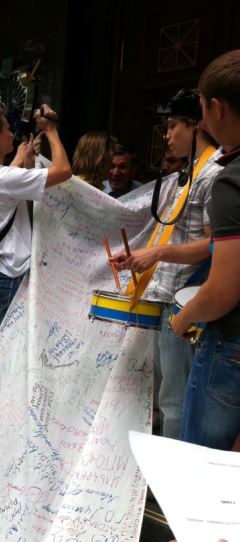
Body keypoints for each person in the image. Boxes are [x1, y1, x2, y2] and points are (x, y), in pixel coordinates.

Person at [112, 89, 223, 440]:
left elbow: (215, 244)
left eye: (173, 126)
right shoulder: (189, 173)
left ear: (195, 125)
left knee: (174, 400)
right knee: (163, 396)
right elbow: (176, 236)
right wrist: (142, 257)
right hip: (166, 295)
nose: (167, 135)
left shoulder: (213, 173)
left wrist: (156, 254)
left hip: (185, 300)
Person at [172, 50, 240, 452]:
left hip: (231, 346)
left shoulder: (230, 182)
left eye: (200, 108)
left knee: (205, 467)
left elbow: (224, 289)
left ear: (217, 108)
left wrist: (185, 317)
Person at [0, 104, 72, 344]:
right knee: (4, 349)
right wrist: (51, 130)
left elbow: (6, 186)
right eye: (7, 129)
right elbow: (64, 170)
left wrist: (25, 160)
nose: (11, 134)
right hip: (10, 274)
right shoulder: (5, 178)